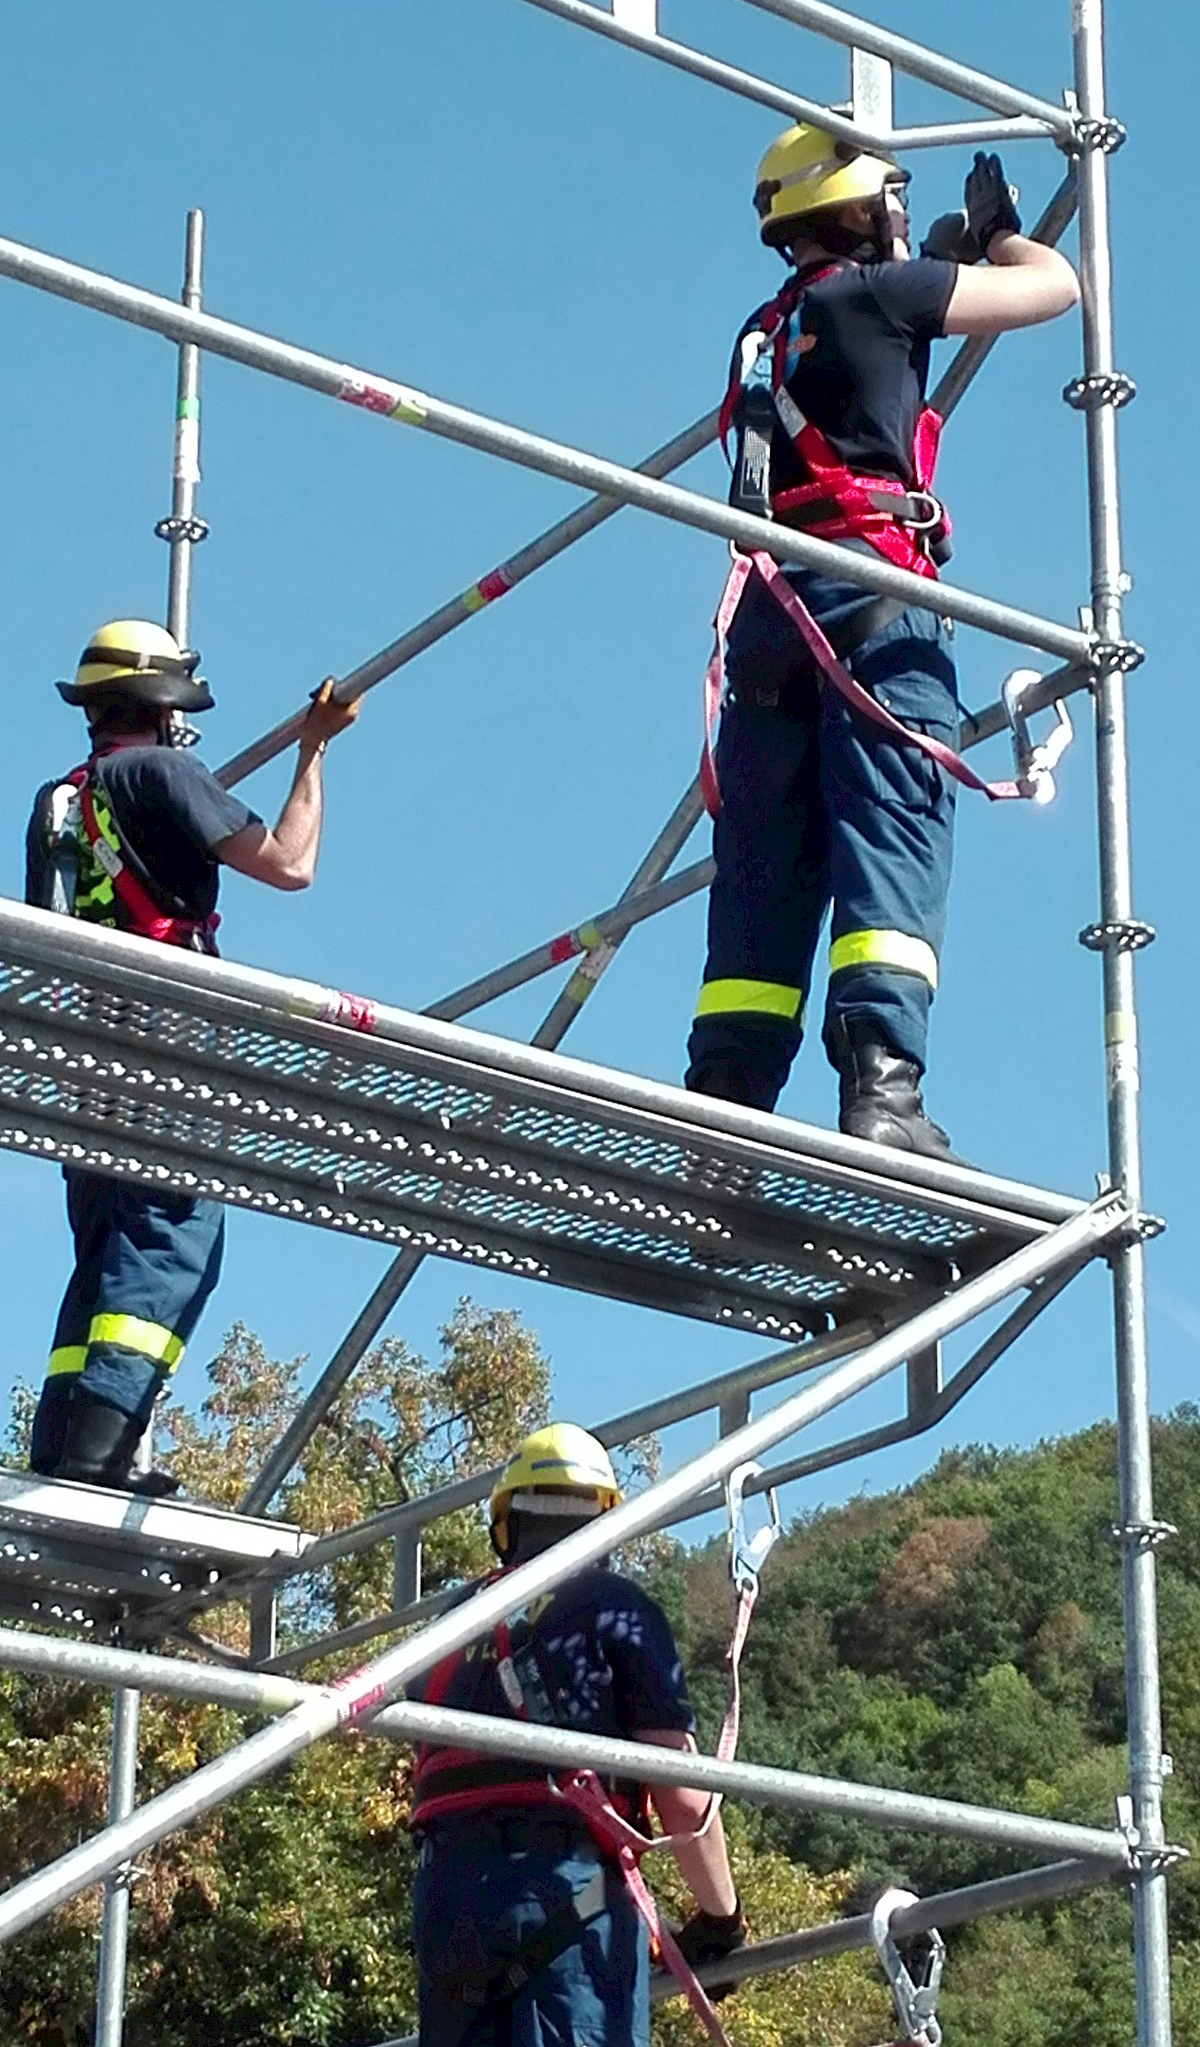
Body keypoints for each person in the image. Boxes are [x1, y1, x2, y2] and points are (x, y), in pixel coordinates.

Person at [684, 132, 1080, 1156]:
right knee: (889, 841)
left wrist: (935, 241)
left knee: (766, 868)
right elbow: (1051, 288)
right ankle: (883, 1096)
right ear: (857, 207)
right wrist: (996, 235)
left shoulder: (768, 328)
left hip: (773, 621)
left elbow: (892, 303)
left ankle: (725, 1107)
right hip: (870, 605)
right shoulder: (882, 297)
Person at [25, 617, 361, 1495]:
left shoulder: (59, 801)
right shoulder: (165, 773)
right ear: (161, 704)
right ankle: (102, 1453)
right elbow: (289, 864)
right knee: (173, 1240)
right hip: (161, 1042)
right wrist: (313, 752)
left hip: (79, 1056)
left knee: (105, 1254)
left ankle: (62, 1447)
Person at [409, 1422, 746, 2046]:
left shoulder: (449, 1628)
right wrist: (721, 1921)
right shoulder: (614, 1608)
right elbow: (684, 1795)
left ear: (505, 1523)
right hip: (565, 1891)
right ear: (606, 1523)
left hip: (446, 1899)